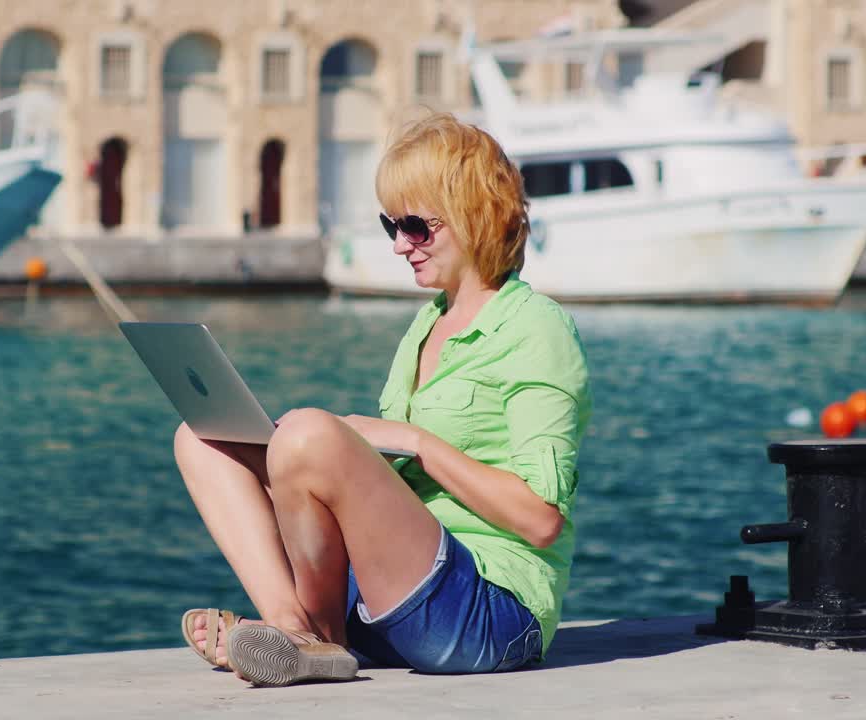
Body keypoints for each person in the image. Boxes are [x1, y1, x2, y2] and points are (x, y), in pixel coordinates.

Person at [174, 112, 592, 687]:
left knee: (311, 436)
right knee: (204, 437)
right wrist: (300, 456)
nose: (400, 245)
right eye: (391, 225)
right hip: (390, 599)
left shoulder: (535, 329)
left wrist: (411, 441)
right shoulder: (426, 325)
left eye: (417, 226)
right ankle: (297, 632)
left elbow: (541, 520)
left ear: (474, 212)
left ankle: (307, 639)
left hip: (489, 615)